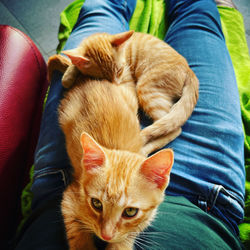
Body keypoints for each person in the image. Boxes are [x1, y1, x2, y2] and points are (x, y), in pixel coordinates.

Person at [15, 0, 245, 249]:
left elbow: (73, 196)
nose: (106, 233)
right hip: (200, 197)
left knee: (99, 13)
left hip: (65, 183)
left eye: (128, 213)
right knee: (198, 23)